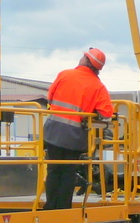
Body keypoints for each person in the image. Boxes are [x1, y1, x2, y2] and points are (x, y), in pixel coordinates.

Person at [42, 48, 113, 210]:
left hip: (54, 132)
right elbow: (107, 112)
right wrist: (92, 112)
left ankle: (50, 206)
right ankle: (64, 207)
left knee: (53, 170)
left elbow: (50, 97)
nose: (80, 59)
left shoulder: (65, 75)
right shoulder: (98, 87)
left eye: (83, 57)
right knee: (68, 172)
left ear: (87, 61)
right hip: (74, 137)